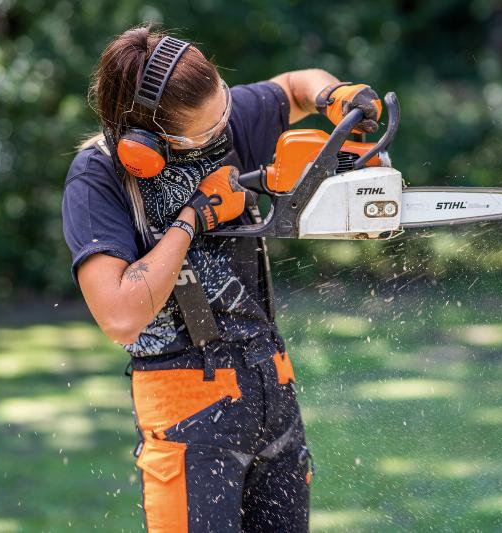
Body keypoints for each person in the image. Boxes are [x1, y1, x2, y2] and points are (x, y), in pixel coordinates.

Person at [61, 26, 381, 532]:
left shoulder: (225, 119)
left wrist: (333, 95)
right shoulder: (98, 177)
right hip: (186, 406)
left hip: (270, 385)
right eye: (207, 132)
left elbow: (297, 85)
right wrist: (194, 218)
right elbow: (120, 315)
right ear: (147, 140)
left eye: (224, 113)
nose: (224, 133)